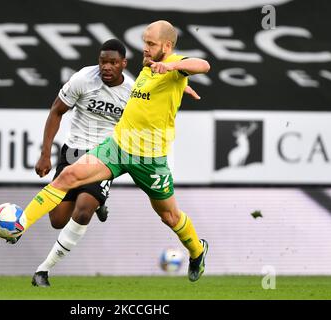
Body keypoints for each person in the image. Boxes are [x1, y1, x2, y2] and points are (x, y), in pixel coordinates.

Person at [13, 20, 211, 287]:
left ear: (167, 46)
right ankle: (18, 225)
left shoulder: (173, 64)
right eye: (144, 42)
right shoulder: (148, 68)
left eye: (151, 44)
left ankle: (197, 251)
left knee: (169, 216)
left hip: (149, 159)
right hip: (117, 147)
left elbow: (203, 65)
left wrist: (176, 70)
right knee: (68, 176)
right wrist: (177, 85)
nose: (145, 48)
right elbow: (151, 95)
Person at [34, 39, 134, 233]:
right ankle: (98, 201)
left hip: (104, 155)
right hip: (74, 151)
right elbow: (56, 111)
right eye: (102, 61)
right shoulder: (83, 79)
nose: (106, 67)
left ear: (123, 63)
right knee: (57, 220)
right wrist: (45, 154)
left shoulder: (132, 91)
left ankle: (95, 200)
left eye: (113, 63)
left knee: (82, 212)